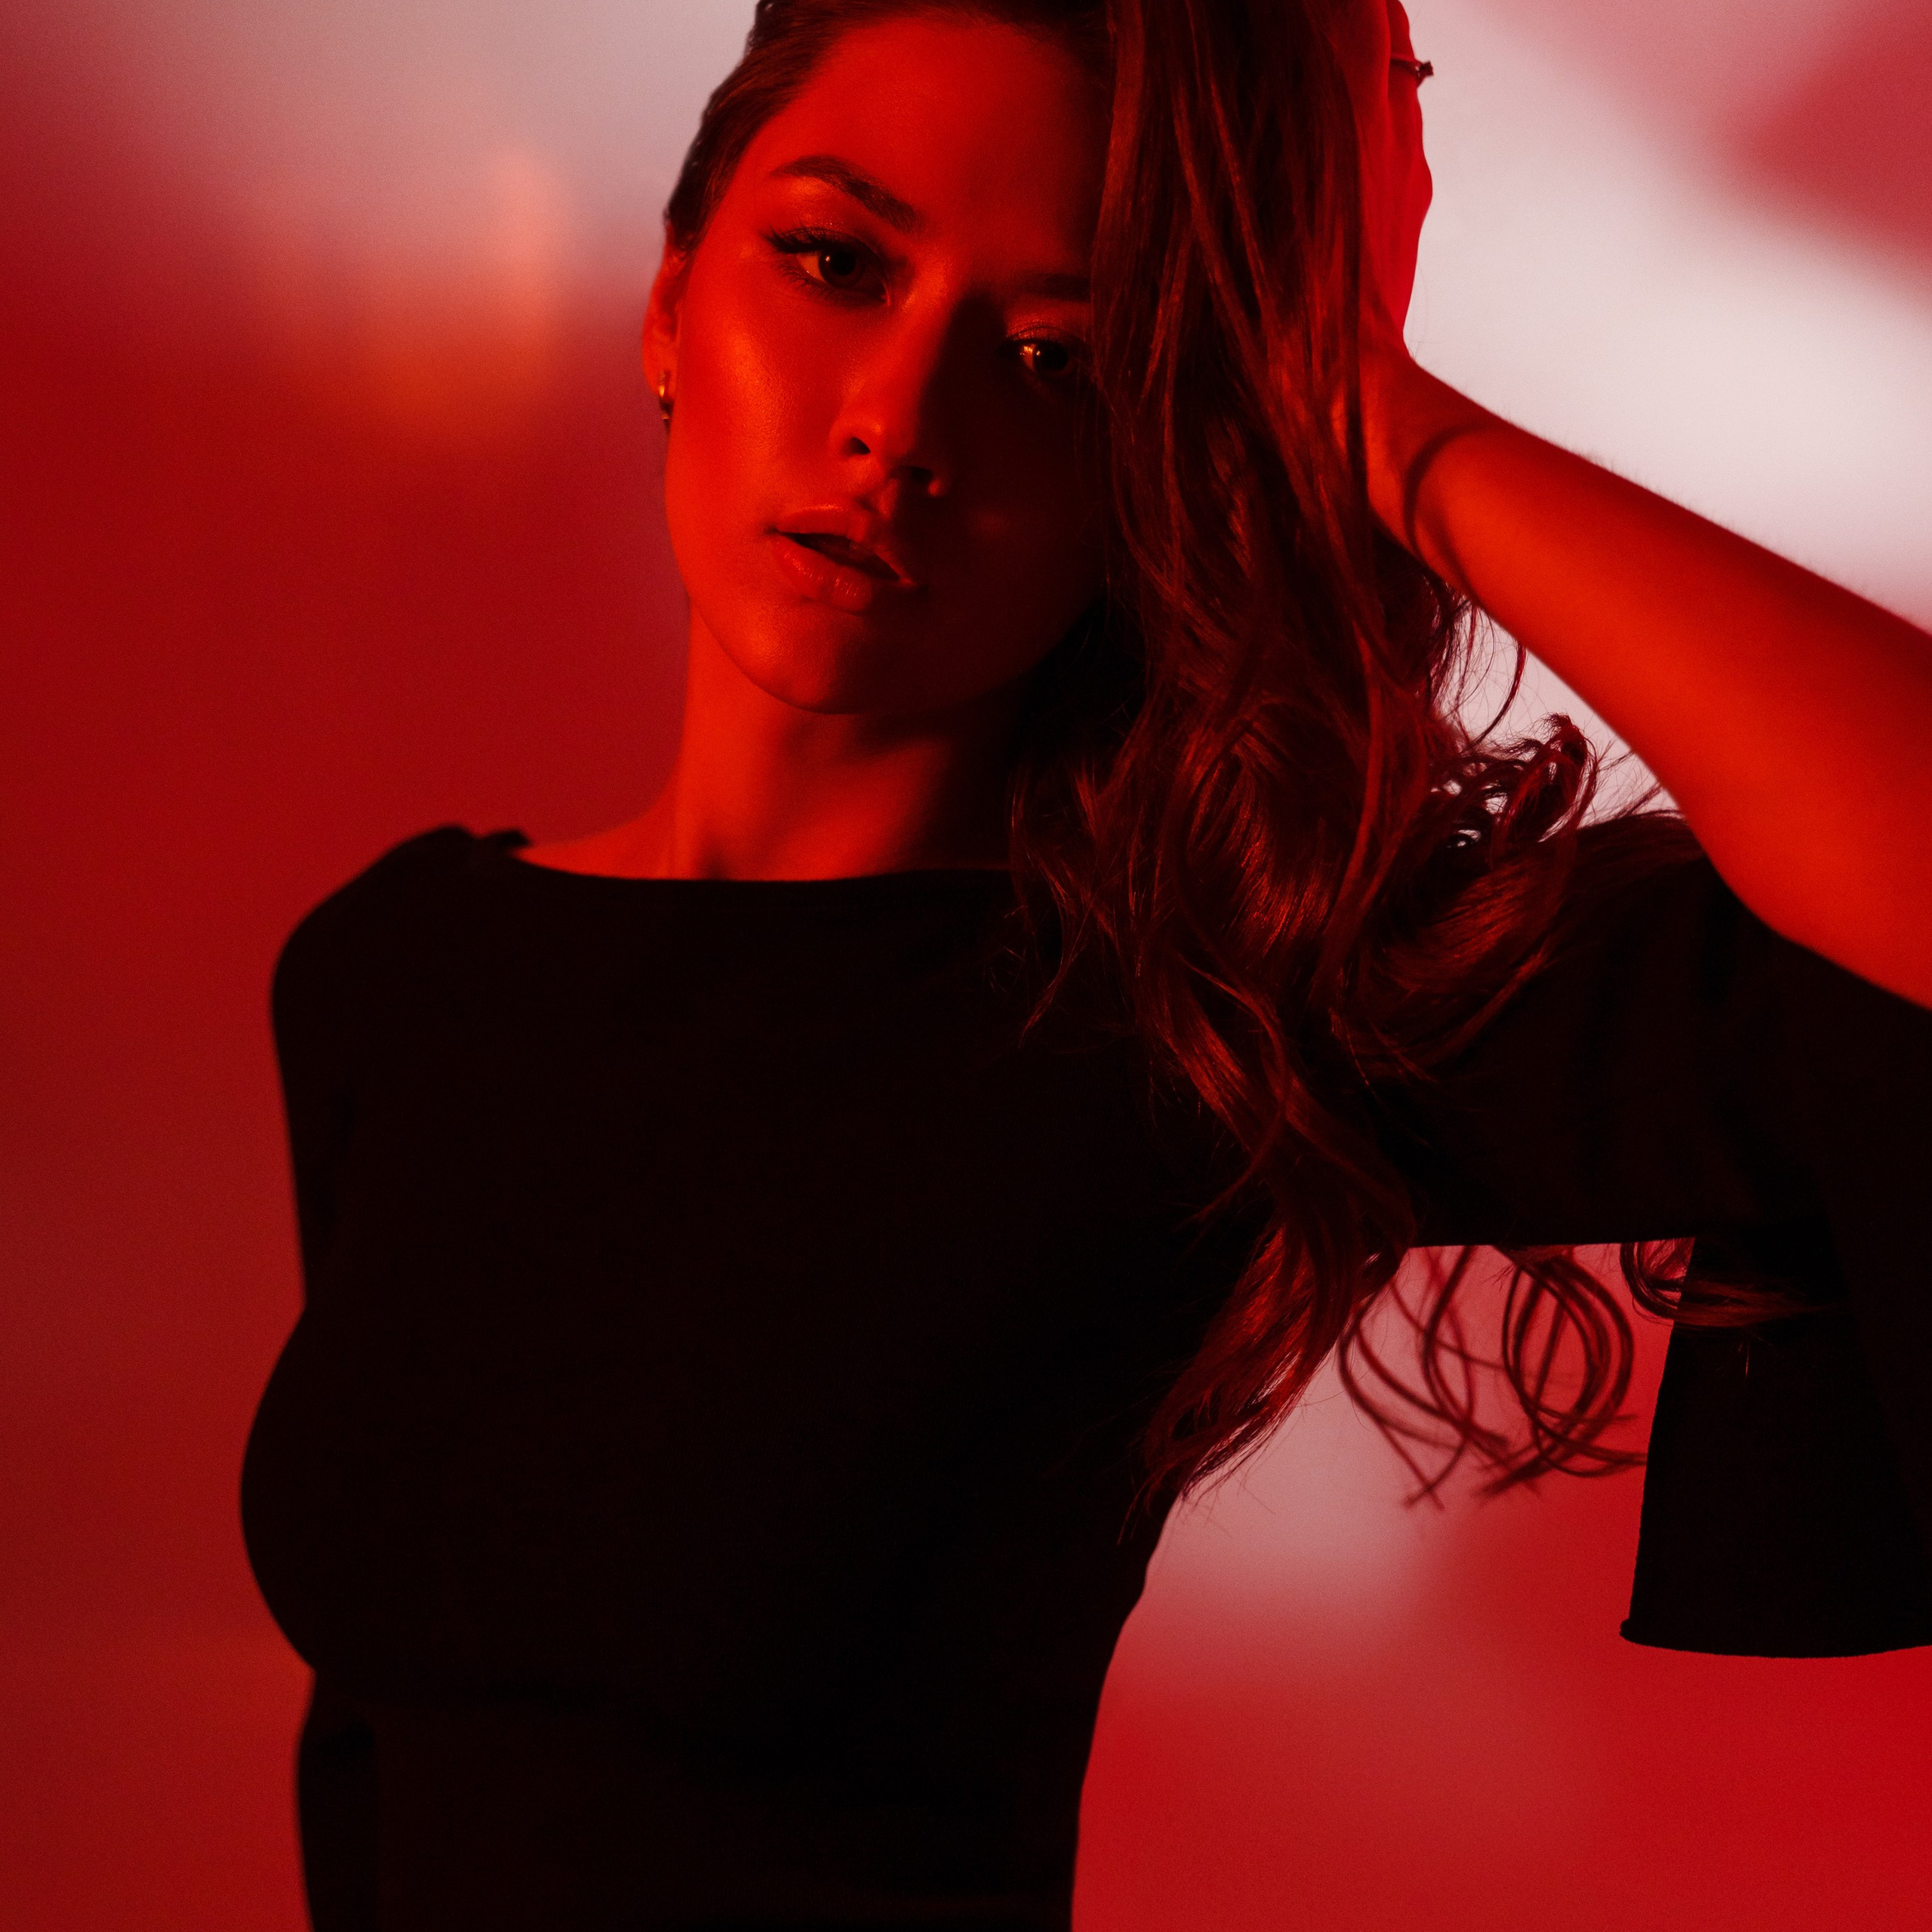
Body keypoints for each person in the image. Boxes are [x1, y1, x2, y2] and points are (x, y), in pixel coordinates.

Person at [239, 0, 1932, 1926]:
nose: (897, 417)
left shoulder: (1186, 1003)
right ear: (663, 300)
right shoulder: (398, 968)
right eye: (831, 261)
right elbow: (380, 1761)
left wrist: (1361, 396)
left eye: (1063, 358)